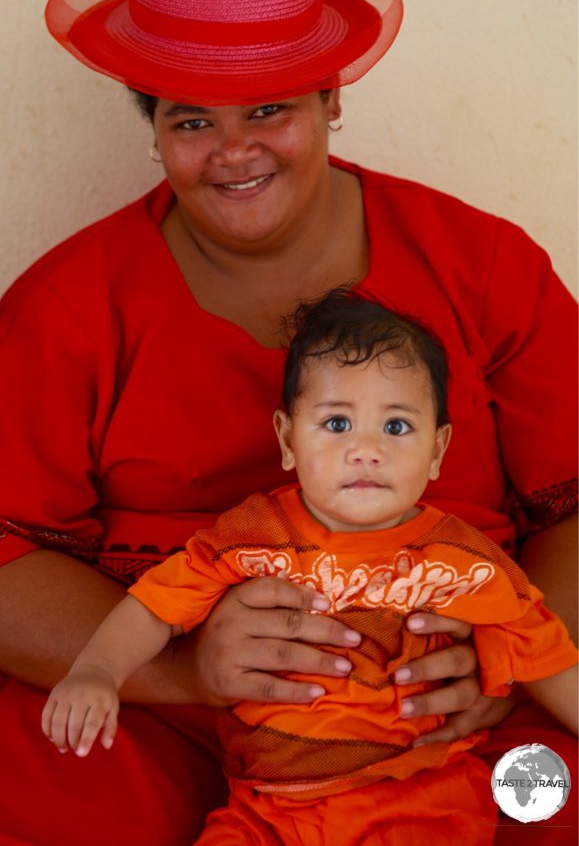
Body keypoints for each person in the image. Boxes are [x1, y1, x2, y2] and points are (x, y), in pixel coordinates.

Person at [0, 0, 576, 846]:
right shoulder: (66, 305)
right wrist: (183, 670)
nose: (234, 154)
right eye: (191, 121)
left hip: (458, 716)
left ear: (332, 98)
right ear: (150, 122)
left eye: (269, 109)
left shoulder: (481, 264)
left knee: (547, 798)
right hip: (167, 711)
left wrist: (507, 655)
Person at [41, 292, 578, 846]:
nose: (366, 450)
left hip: (414, 798)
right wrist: (98, 670)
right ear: (287, 439)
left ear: (438, 449)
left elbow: (550, 658)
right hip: (263, 811)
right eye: (337, 422)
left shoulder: (461, 560)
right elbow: (157, 606)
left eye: (396, 428)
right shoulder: (252, 535)